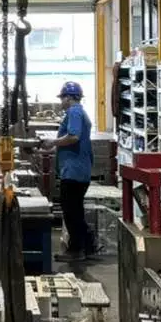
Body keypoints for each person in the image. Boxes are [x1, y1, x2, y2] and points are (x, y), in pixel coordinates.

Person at [46, 81, 95, 263]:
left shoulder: (74, 112)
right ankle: (88, 246)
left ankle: (76, 250)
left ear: (69, 98)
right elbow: (69, 143)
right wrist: (46, 148)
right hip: (77, 170)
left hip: (74, 172)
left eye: (62, 98)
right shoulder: (79, 112)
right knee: (76, 211)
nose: (61, 102)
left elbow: (73, 137)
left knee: (71, 212)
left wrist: (53, 142)